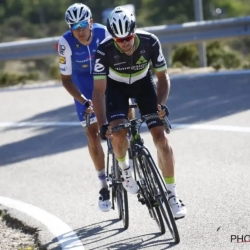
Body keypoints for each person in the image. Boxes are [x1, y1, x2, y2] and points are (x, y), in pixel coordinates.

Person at [92, 6, 187, 219]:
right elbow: (98, 92)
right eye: (119, 40)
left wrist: (160, 105)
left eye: (128, 37)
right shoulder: (103, 50)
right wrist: (102, 125)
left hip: (144, 86)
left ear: (134, 31)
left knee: (161, 138)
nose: (125, 43)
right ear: (113, 38)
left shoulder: (150, 42)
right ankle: (125, 170)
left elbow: (163, 78)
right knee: (117, 133)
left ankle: (173, 195)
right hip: (116, 89)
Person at [58, 3, 112, 212]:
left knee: (122, 115)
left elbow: (115, 64)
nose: (78, 31)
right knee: (92, 134)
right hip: (83, 89)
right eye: (73, 26)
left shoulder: (103, 32)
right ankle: (103, 186)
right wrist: (83, 100)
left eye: (82, 25)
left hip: (106, 81)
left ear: (90, 22)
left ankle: (129, 155)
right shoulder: (66, 42)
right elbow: (66, 80)